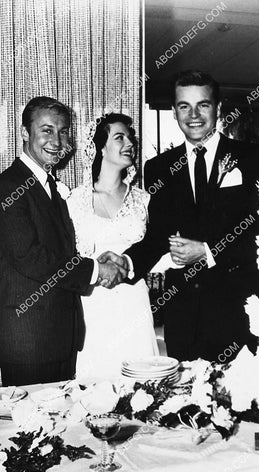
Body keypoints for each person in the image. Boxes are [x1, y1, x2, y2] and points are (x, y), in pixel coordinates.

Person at [100, 70, 259, 363]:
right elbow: (157, 235)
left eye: (203, 105)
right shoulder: (158, 167)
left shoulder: (256, 159)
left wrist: (208, 251)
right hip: (182, 315)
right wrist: (126, 261)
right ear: (174, 111)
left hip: (237, 309)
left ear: (218, 108)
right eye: (184, 106)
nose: (193, 115)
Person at [0, 97, 127, 387]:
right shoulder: (8, 187)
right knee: (30, 430)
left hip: (60, 338)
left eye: (63, 131)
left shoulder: (53, 189)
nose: (57, 141)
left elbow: (60, 253)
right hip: (28, 341)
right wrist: (96, 271)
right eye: (46, 130)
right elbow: (30, 258)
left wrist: (97, 258)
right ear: (24, 133)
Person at [67, 113, 159, 380]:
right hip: (91, 306)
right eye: (119, 137)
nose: (129, 142)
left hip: (134, 304)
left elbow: (156, 253)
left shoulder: (144, 200)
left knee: (141, 391)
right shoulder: (74, 200)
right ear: (100, 147)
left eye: (130, 138)